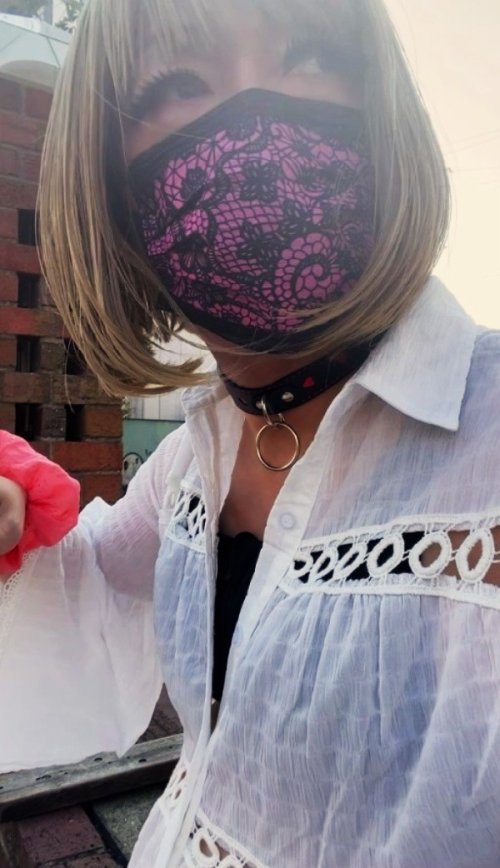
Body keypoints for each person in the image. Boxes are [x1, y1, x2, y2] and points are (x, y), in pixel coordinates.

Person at [1, 0, 500, 865]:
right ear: (107, 177)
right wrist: (12, 485)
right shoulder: (195, 454)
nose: (254, 118)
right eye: (176, 82)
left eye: (312, 55)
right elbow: (94, 581)